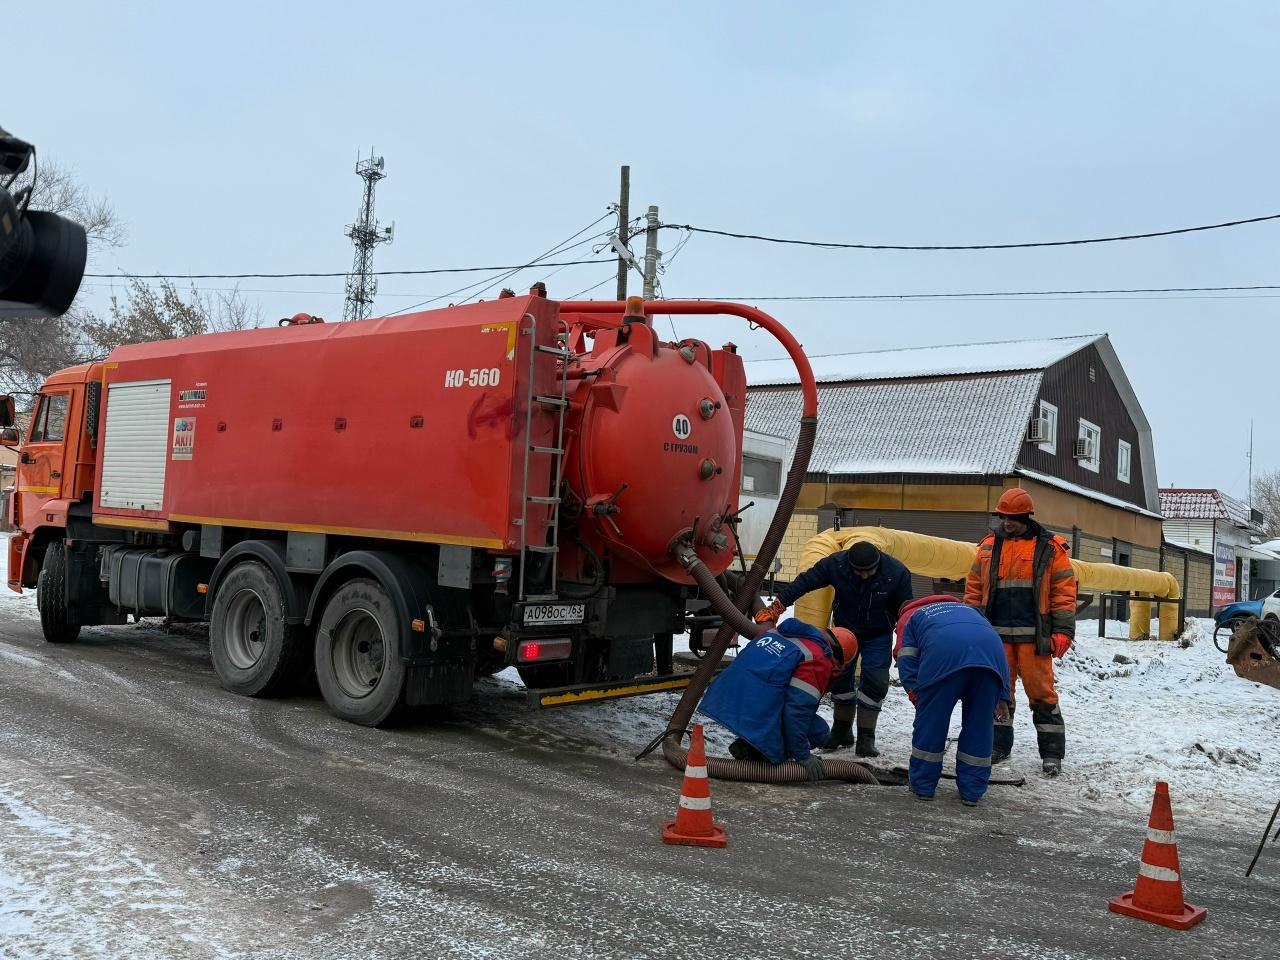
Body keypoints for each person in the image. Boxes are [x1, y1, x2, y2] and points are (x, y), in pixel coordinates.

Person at [757, 540, 912, 757]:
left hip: (878, 634)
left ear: (878, 564)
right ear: (850, 565)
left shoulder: (897, 573)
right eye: (859, 572)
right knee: (839, 679)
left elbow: (906, 611)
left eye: (869, 572)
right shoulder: (837, 565)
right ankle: (841, 732)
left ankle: (866, 738)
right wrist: (778, 606)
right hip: (844, 631)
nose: (864, 576)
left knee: (875, 682)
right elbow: (805, 581)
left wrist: (904, 640)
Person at [964, 487, 1077, 777]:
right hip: (996, 636)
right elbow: (974, 588)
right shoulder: (988, 546)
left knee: (1042, 694)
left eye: (1012, 518)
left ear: (1026, 517)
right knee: (998, 692)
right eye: (1003, 517)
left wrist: (1063, 631)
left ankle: (1051, 754)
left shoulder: (1050, 548)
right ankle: (998, 746)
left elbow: (1064, 593)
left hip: (1033, 638)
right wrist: (971, 627)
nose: (1006, 523)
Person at [698, 618, 859, 780]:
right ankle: (760, 755)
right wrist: (802, 755)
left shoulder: (778, 633)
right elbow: (797, 711)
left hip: (725, 696)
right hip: (753, 705)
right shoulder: (818, 657)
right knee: (819, 731)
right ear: (841, 662)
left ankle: (750, 745)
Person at [894, 595, 1013, 805]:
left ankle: (923, 786)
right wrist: (1003, 695)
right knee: (980, 727)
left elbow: (906, 658)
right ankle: (972, 792)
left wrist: (916, 694)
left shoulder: (912, 617)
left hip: (943, 660)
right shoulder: (971, 611)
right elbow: (997, 649)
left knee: (931, 724)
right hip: (990, 664)